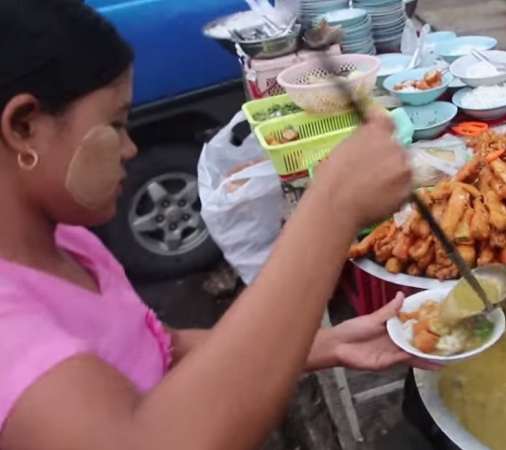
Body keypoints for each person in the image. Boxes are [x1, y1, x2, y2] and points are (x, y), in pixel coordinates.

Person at [0, 1, 433, 449]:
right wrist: (331, 207)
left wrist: (321, 344)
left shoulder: (69, 244)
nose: (128, 148)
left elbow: (158, 350)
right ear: (24, 126)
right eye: (114, 124)